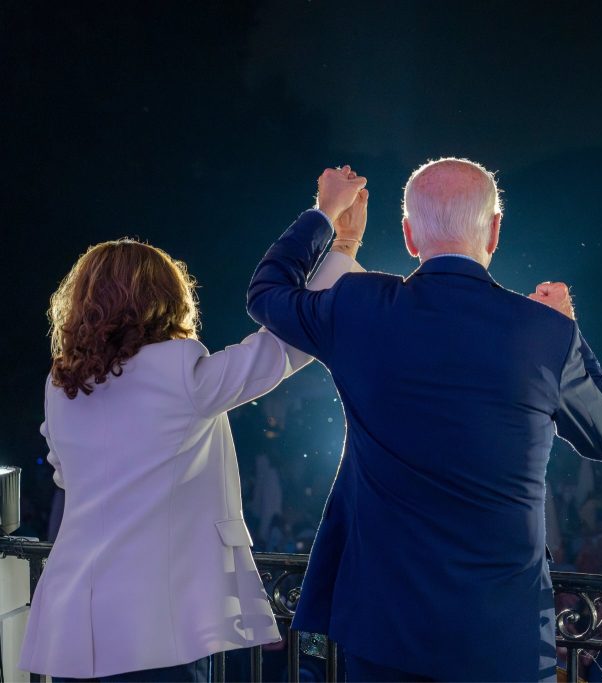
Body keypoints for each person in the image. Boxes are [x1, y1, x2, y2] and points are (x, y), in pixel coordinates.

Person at [248, 158, 602, 681]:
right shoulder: (543, 333)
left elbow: (267, 293)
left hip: (383, 629)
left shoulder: (362, 305)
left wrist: (325, 215)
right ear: (494, 230)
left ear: (408, 234)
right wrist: (568, 330)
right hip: (503, 637)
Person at [19, 187, 369, 681]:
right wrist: (341, 246)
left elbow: (63, 474)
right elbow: (283, 348)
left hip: (76, 622)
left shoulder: (62, 382)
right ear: (164, 298)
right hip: (153, 629)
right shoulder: (175, 369)